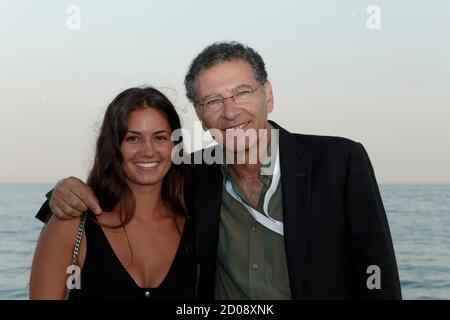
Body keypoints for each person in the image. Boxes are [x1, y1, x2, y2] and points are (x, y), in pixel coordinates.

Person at [36, 41, 402, 299]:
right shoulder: (194, 174)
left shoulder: (340, 162)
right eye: (213, 100)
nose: (230, 111)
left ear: (268, 95)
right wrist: (62, 192)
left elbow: (379, 277)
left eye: (242, 93)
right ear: (199, 113)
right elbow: (134, 178)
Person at [30, 87, 197, 299]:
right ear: (114, 146)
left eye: (160, 138)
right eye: (133, 138)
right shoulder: (71, 226)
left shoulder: (194, 226)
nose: (148, 150)